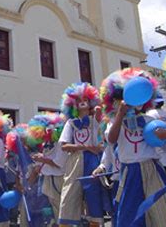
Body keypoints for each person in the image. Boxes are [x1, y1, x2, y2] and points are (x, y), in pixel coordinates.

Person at [108, 100, 166, 227]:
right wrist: (120, 114)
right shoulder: (116, 122)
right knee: (129, 213)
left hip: (152, 168)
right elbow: (111, 139)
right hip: (129, 172)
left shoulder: (149, 120)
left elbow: (165, 140)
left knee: (161, 208)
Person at [58, 83, 107, 227]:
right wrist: (83, 147)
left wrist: (93, 148)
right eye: (78, 100)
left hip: (92, 161)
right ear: (73, 104)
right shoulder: (70, 123)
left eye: (85, 99)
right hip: (75, 161)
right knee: (69, 195)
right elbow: (64, 146)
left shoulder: (95, 122)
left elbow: (100, 145)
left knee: (93, 196)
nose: (82, 102)